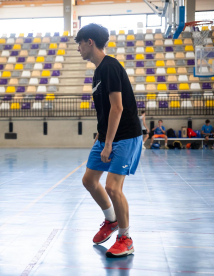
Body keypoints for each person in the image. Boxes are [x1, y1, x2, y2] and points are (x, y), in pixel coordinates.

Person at [75, 23, 142, 258]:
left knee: (113, 187)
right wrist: (101, 135)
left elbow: (118, 107)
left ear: (89, 42)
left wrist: (108, 143)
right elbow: (105, 110)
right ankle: (111, 220)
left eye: (79, 44)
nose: (78, 49)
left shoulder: (110, 67)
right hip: (107, 135)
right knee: (89, 180)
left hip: (125, 136)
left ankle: (126, 238)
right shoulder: (99, 70)